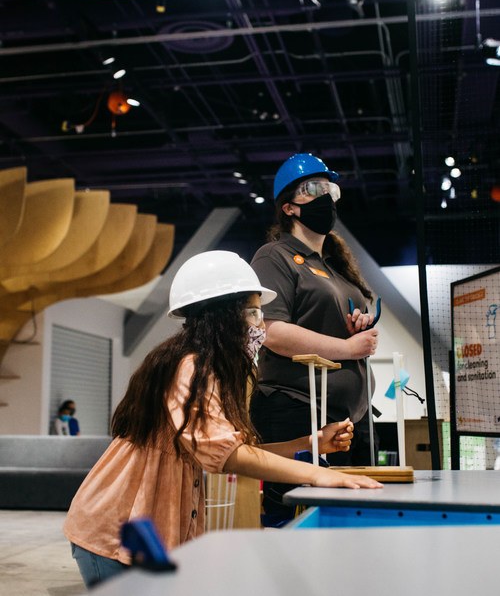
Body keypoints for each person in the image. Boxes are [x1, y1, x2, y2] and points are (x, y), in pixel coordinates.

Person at [63, 250, 381, 589]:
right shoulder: (190, 368)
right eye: (255, 313)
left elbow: (234, 449)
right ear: (223, 315)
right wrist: (318, 475)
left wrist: (309, 444)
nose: (261, 326)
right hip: (115, 534)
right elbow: (227, 455)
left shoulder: (211, 370)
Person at [250, 153, 380, 524]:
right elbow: (271, 331)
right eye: (313, 188)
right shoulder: (275, 257)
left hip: (347, 418)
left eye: (329, 189)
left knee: (349, 522)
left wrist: (358, 325)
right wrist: (347, 348)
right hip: (296, 410)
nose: (325, 196)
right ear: (289, 207)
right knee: (293, 523)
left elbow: (330, 324)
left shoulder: (334, 268)